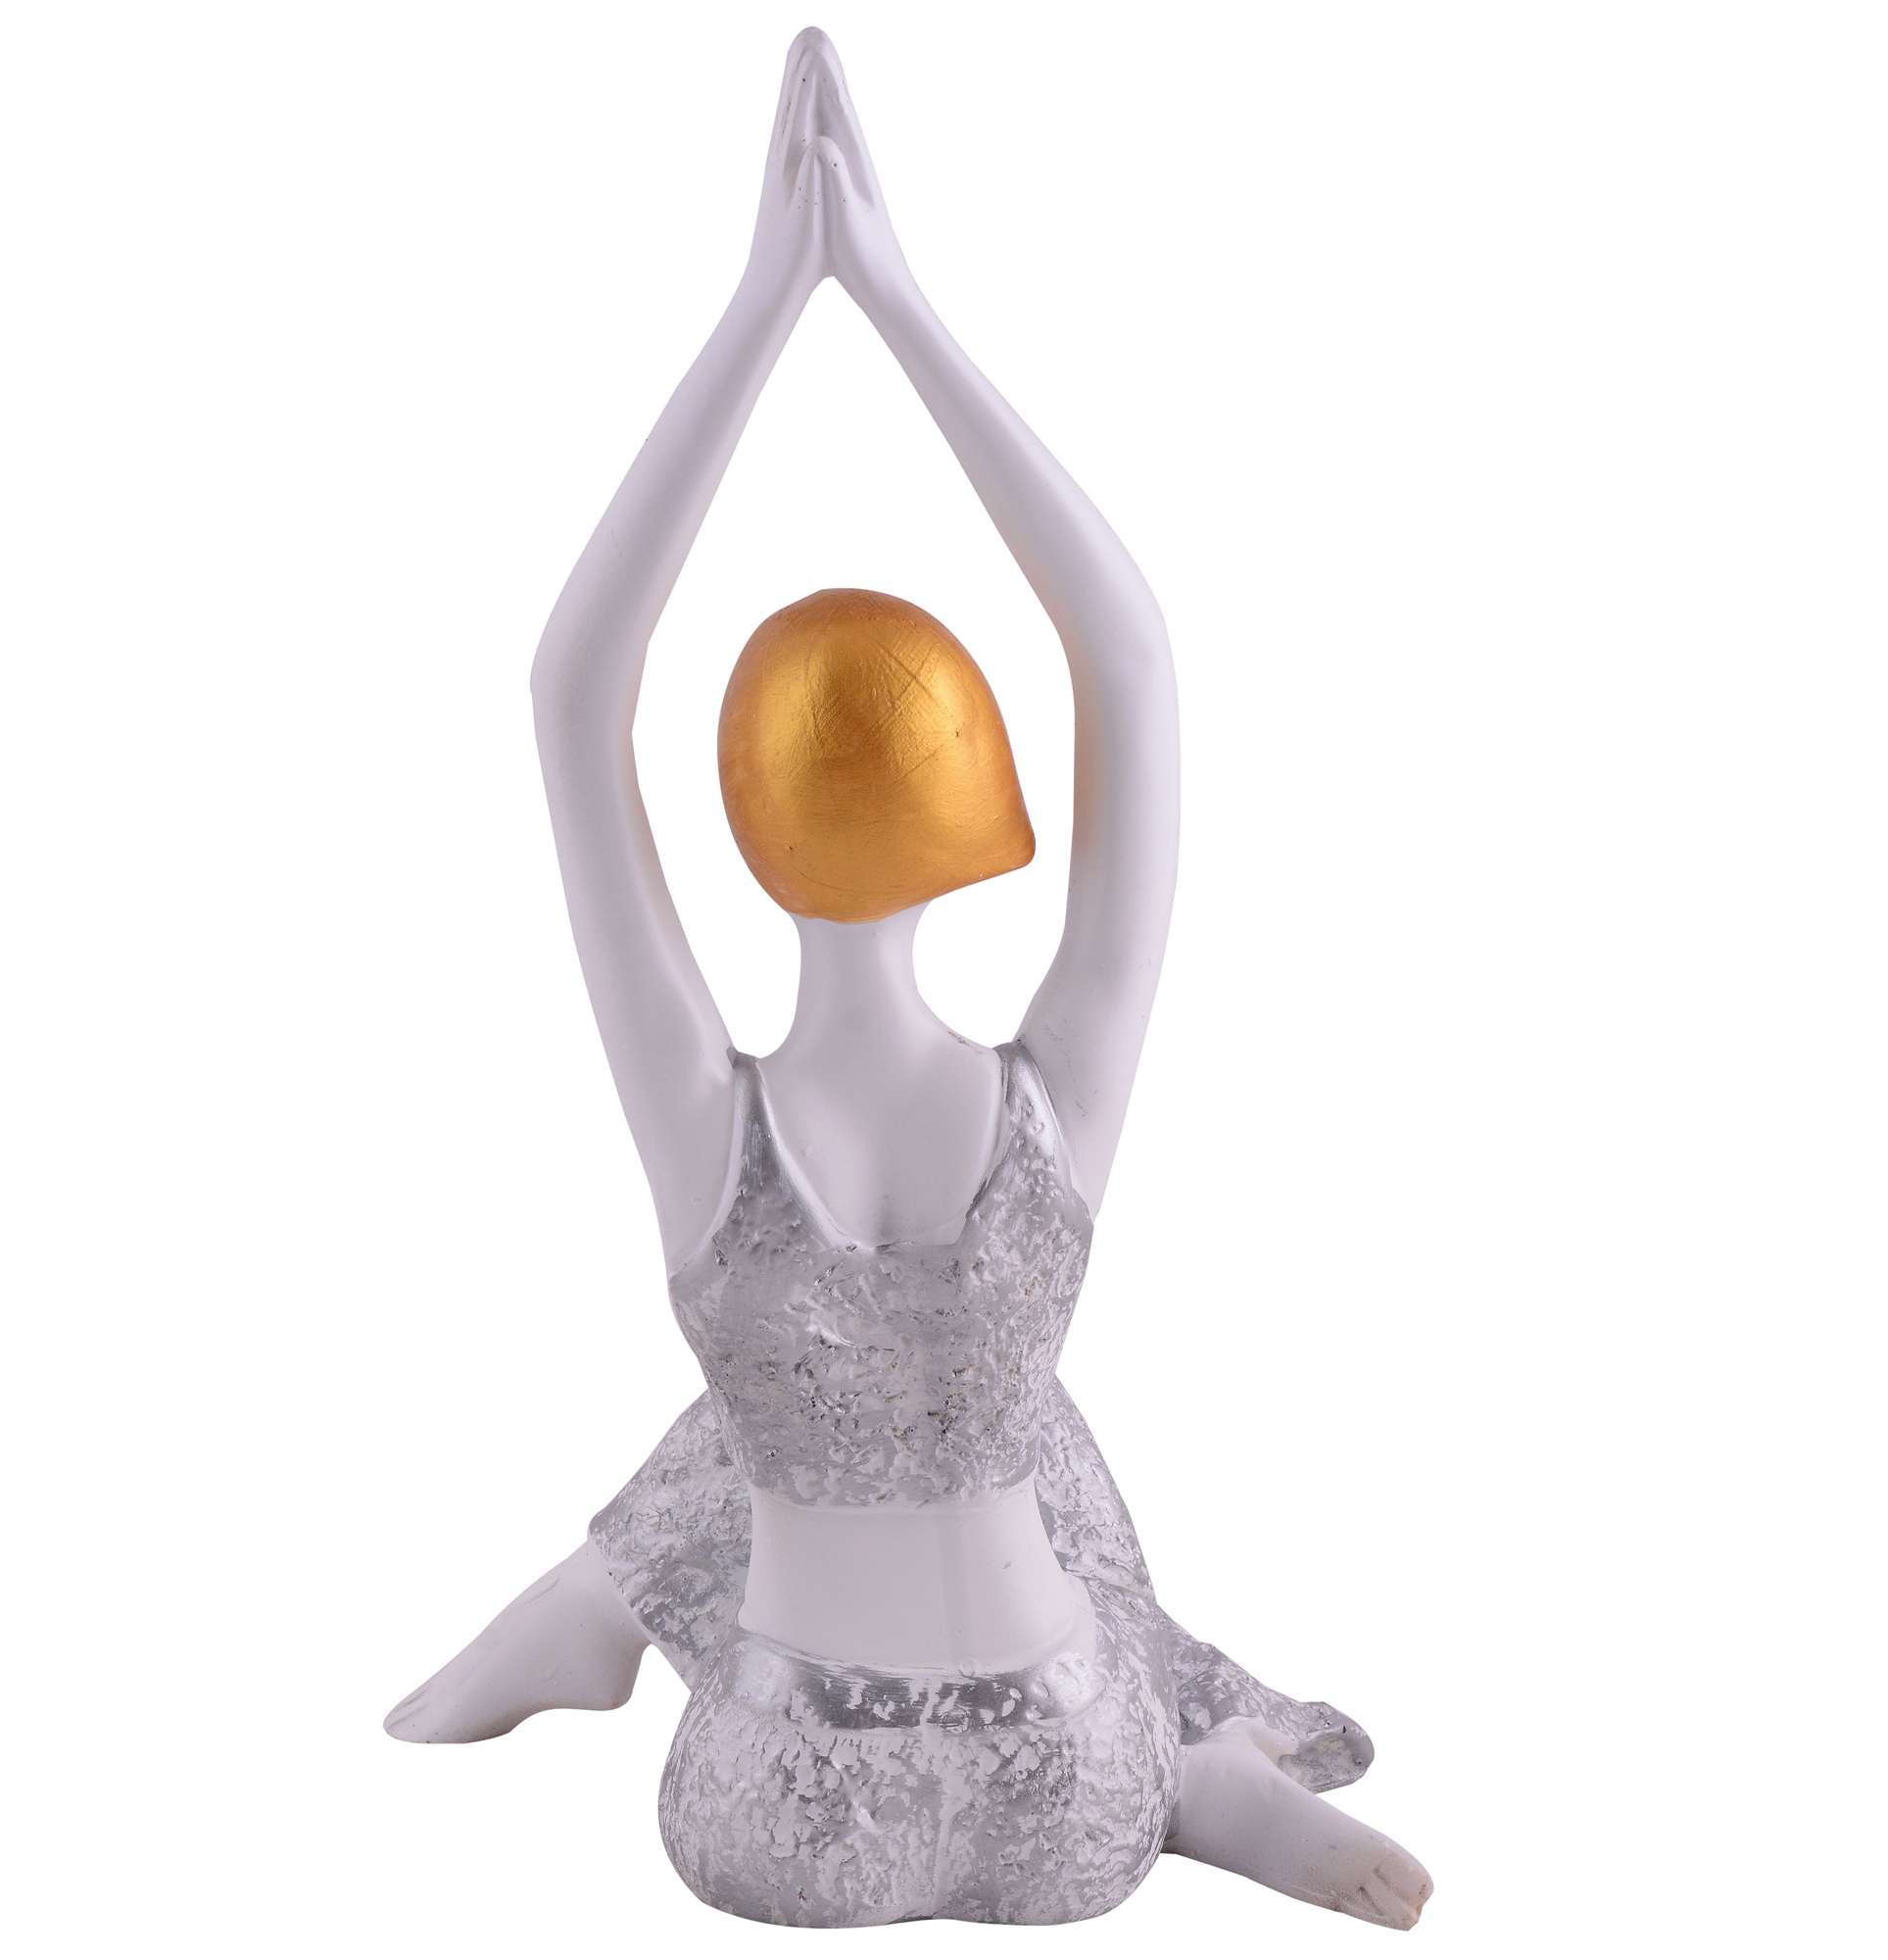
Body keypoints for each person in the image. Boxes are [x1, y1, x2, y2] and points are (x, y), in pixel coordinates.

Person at [386, 28, 1431, 1932]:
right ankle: (1200, 1783)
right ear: (982, 809)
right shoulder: (1056, 1102)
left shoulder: (709, 1127)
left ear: (738, 821)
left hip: (785, 1795)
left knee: (810, 1387)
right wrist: (896, 298)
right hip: (1065, 1787)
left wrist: (761, 306)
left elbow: (570, 686)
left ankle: (593, 1601)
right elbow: (1132, 658)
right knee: (998, 1401)